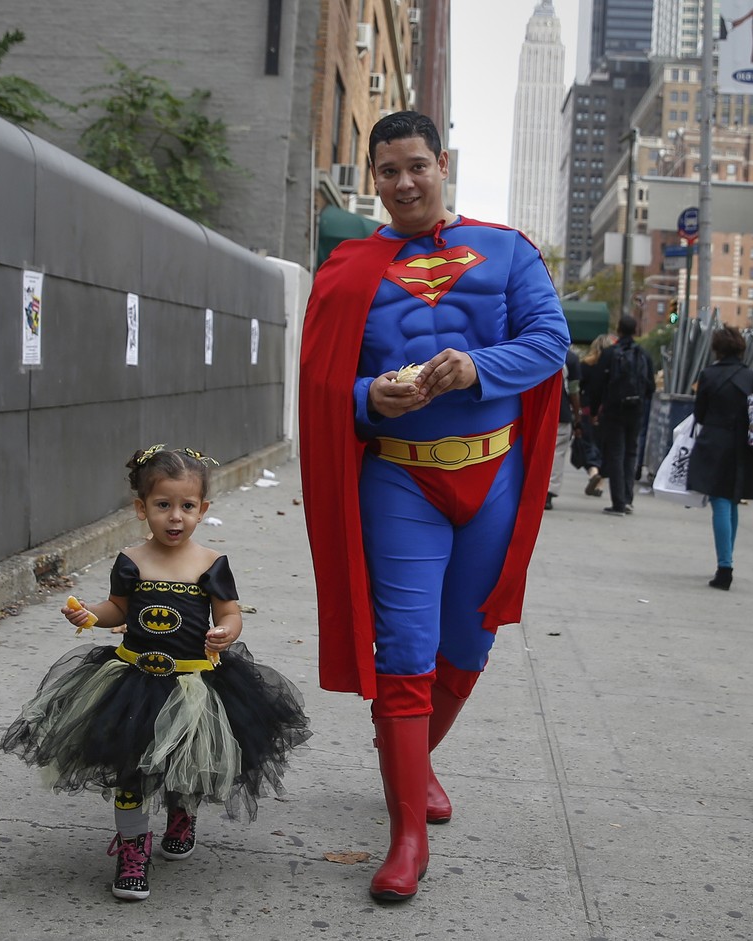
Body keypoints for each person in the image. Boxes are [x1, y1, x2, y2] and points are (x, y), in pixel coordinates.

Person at [297, 110, 568, 903]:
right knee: (406, 650)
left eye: (416, 166)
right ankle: (405, 834)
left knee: (466, 646)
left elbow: (550, 341)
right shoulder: (347, 268)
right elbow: (322, 385)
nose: (403, 183)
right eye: (388, 172)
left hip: (492, 477)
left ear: (441, 164)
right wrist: (365, 394)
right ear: (374, 177)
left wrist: (476, 366)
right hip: (400, 479)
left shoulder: (510, 250)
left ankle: (414, 767)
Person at [0, 445, 310, 901]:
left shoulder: (210, 564)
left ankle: (182, 813)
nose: (175, 517)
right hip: (132, 680)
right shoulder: (131, 560)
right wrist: (91, 615)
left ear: (203, 510)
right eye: (163, 506)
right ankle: (132, 849)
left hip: (194, 683)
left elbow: (230, 612)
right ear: (141, 508)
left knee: (182, 760)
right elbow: (118, 609)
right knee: (130, 768)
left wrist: (226, 630)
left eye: (187, 507)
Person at [685, 327, 753, 590]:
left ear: (717, 349)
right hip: (742, 445)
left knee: (719, 502)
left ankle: (724, 567)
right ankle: (726, 559)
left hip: (715, 443)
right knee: (732, 501)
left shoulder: (708, 375)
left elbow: (700, 414)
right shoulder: (751, 377)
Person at [592, 315, 653, 516]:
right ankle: (627, 499)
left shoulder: (610, 353)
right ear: (636, 330)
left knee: (616, 453)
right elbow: (650, 386)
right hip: (636, 411)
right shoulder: (643, 354)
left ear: (618, 330)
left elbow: (598, 384)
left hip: (614, 409)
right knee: (631, 453)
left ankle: (618, 502)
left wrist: (594, 411)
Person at [547, 346, 583, 509]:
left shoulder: (538, 351)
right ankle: (549, 492)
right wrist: (577, 415)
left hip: (539, 412)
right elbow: (574, 390)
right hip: (562, 412)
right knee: (557, 453)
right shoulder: (572, 359)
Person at [577, 334, 612, 497]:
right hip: (607, 412)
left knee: (588, 443)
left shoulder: (586, 364)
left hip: (586, 410)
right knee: (604, 446)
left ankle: (593, 472)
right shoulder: (614, 364)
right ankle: (600, 484)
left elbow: (578, 388)